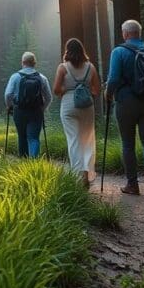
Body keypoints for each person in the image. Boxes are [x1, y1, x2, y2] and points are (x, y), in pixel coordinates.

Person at [106, 19, 144, 197]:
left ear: (125, 34)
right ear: (139, 33)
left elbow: (114, 79)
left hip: (126, 102)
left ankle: (132, 184)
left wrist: (108, 94)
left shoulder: (119, 51)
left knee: (128, 143)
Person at [53, 38, 101, 188]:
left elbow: (56, 90)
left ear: (67, 50)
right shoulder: (90, 67)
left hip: (68, 105)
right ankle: (86, 173)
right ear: (82, 50)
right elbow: (97, 90)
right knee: (87, 139)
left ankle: (77, 175)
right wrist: (86, 92)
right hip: (87, 106)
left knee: (74, 140)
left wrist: (67, 89)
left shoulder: (63, 68)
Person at [4, 52, 52, 158]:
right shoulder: (42, 78)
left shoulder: (15, 77)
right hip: (36, 111)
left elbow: (8, 94)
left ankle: (23, 162)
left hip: (19, 111)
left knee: (22, 136)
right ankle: (34, 162)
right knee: (33, 137)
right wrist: (42, 108)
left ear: (23, 62)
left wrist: (9, 106)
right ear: (34, 63)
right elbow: (49, 97)